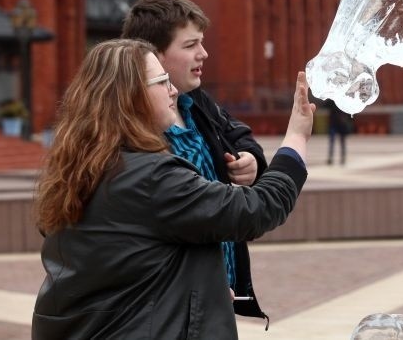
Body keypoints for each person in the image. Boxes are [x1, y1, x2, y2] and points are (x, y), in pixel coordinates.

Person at [31, 39, 315, 339]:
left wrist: (199, 290)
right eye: (162, 80)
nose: (173, 90)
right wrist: (296, 138)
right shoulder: (150, 176)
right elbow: (256, 209)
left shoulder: (78, 165)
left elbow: (125, 265)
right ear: (131, 95)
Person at [121, 0, 271, 320]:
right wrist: (295, 146)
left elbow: (239, 135)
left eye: (201, 42)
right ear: (153, 55)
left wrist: (251, 161)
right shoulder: (131, 130)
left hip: (216, 294)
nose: (204, 53)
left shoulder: (196, 100)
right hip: (173, 306)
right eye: (190, 45)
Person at [324, 99, 352, 165]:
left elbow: (348, 112)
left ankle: (342, 157)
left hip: (340, 124)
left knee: (340, 142)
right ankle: (331, 158)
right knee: (333, 142)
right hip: (334, 124)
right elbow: (325, 105)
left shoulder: (344, 100)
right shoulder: (333, 99)